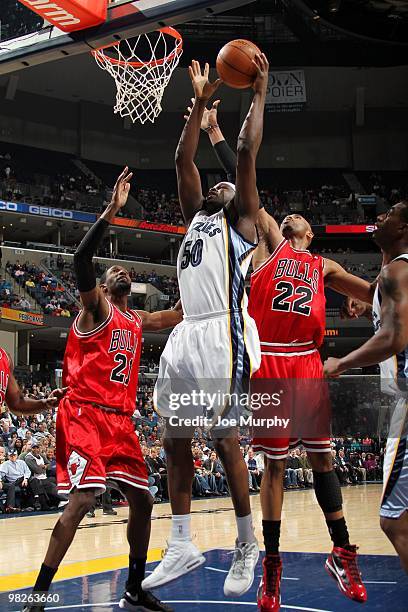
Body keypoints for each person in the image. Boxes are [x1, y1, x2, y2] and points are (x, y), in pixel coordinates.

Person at [198, 98, 370, 610]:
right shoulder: (271, 245)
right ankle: (271, 568)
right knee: (274, 467)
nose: (291, 216)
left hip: (308, 363)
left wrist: (373, 300)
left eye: (301, 217)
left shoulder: (323, 265)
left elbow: (377, 294)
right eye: (286, 214)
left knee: (323, 459)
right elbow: (244, 176)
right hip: (270, 359)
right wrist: (214, 134)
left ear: (311, 234)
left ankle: (341, 552)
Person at [23, 168, 182, 612]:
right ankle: (38, 594)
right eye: (111, 269)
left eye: (122, 267)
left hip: (121, 421)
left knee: (145, 500)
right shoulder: (95, 309)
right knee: (84, 500)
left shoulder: (138, 320)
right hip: (84, 414)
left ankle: (134, 586)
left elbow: (180, 313)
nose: (119, 270)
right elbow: (80, 260)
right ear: (100, 288)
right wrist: (111, 211)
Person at [144, 56, 268, 597]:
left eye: (226, 186)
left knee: (223, 440)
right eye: (213, 186)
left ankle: (247, 542)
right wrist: (197, 102)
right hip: (187, 335)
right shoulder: (196, 214)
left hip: (224, 333)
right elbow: (181, 159)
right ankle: (181, 542)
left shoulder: (241, 224)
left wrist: (258, 91)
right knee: (172, 438)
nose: (217, 186)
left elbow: (242, 153)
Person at [324, 202, 408, 574]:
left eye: (388, 214)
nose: (379, 218)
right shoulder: (391, 276)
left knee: (394, 522)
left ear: (404, 227)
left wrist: (341, 362)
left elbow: (392, 337)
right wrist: (351, 293)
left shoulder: (397, 272)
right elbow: (367, 289)